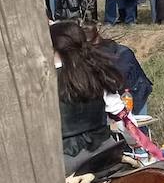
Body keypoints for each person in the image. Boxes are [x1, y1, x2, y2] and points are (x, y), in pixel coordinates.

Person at [53, 21, 125, 164]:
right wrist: (138, 144)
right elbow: (122, 116)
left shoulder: (42, 83)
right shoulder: (97, 72)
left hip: (67, 160)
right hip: (106, 150)